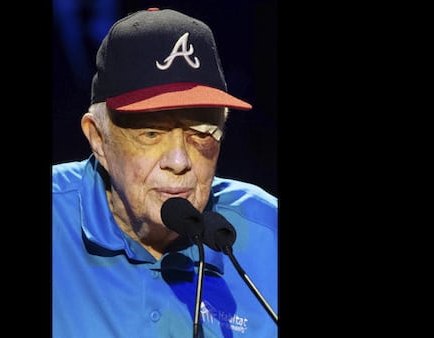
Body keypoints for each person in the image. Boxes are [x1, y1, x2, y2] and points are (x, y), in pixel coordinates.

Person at [52, 7, 278, 338]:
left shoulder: (269, 231)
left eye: (201, 132)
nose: (178, 161)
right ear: (97, 138)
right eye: (151, 134)